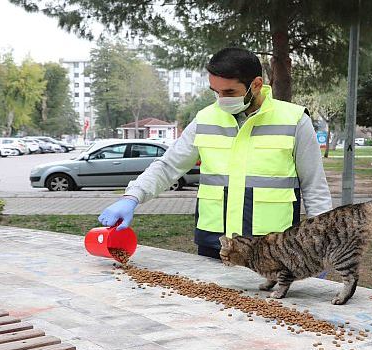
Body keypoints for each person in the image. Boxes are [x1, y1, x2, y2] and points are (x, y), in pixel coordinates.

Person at [98, 47, 332, 259]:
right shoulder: (206, 118)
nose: (221, 100)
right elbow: (168, 167)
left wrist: (320, 246)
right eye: (216, 92)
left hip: (273, 249)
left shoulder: (294, 120)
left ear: (257, 84)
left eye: (229, 92)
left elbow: (314, 187)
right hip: (214, 246)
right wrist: (132, 197)